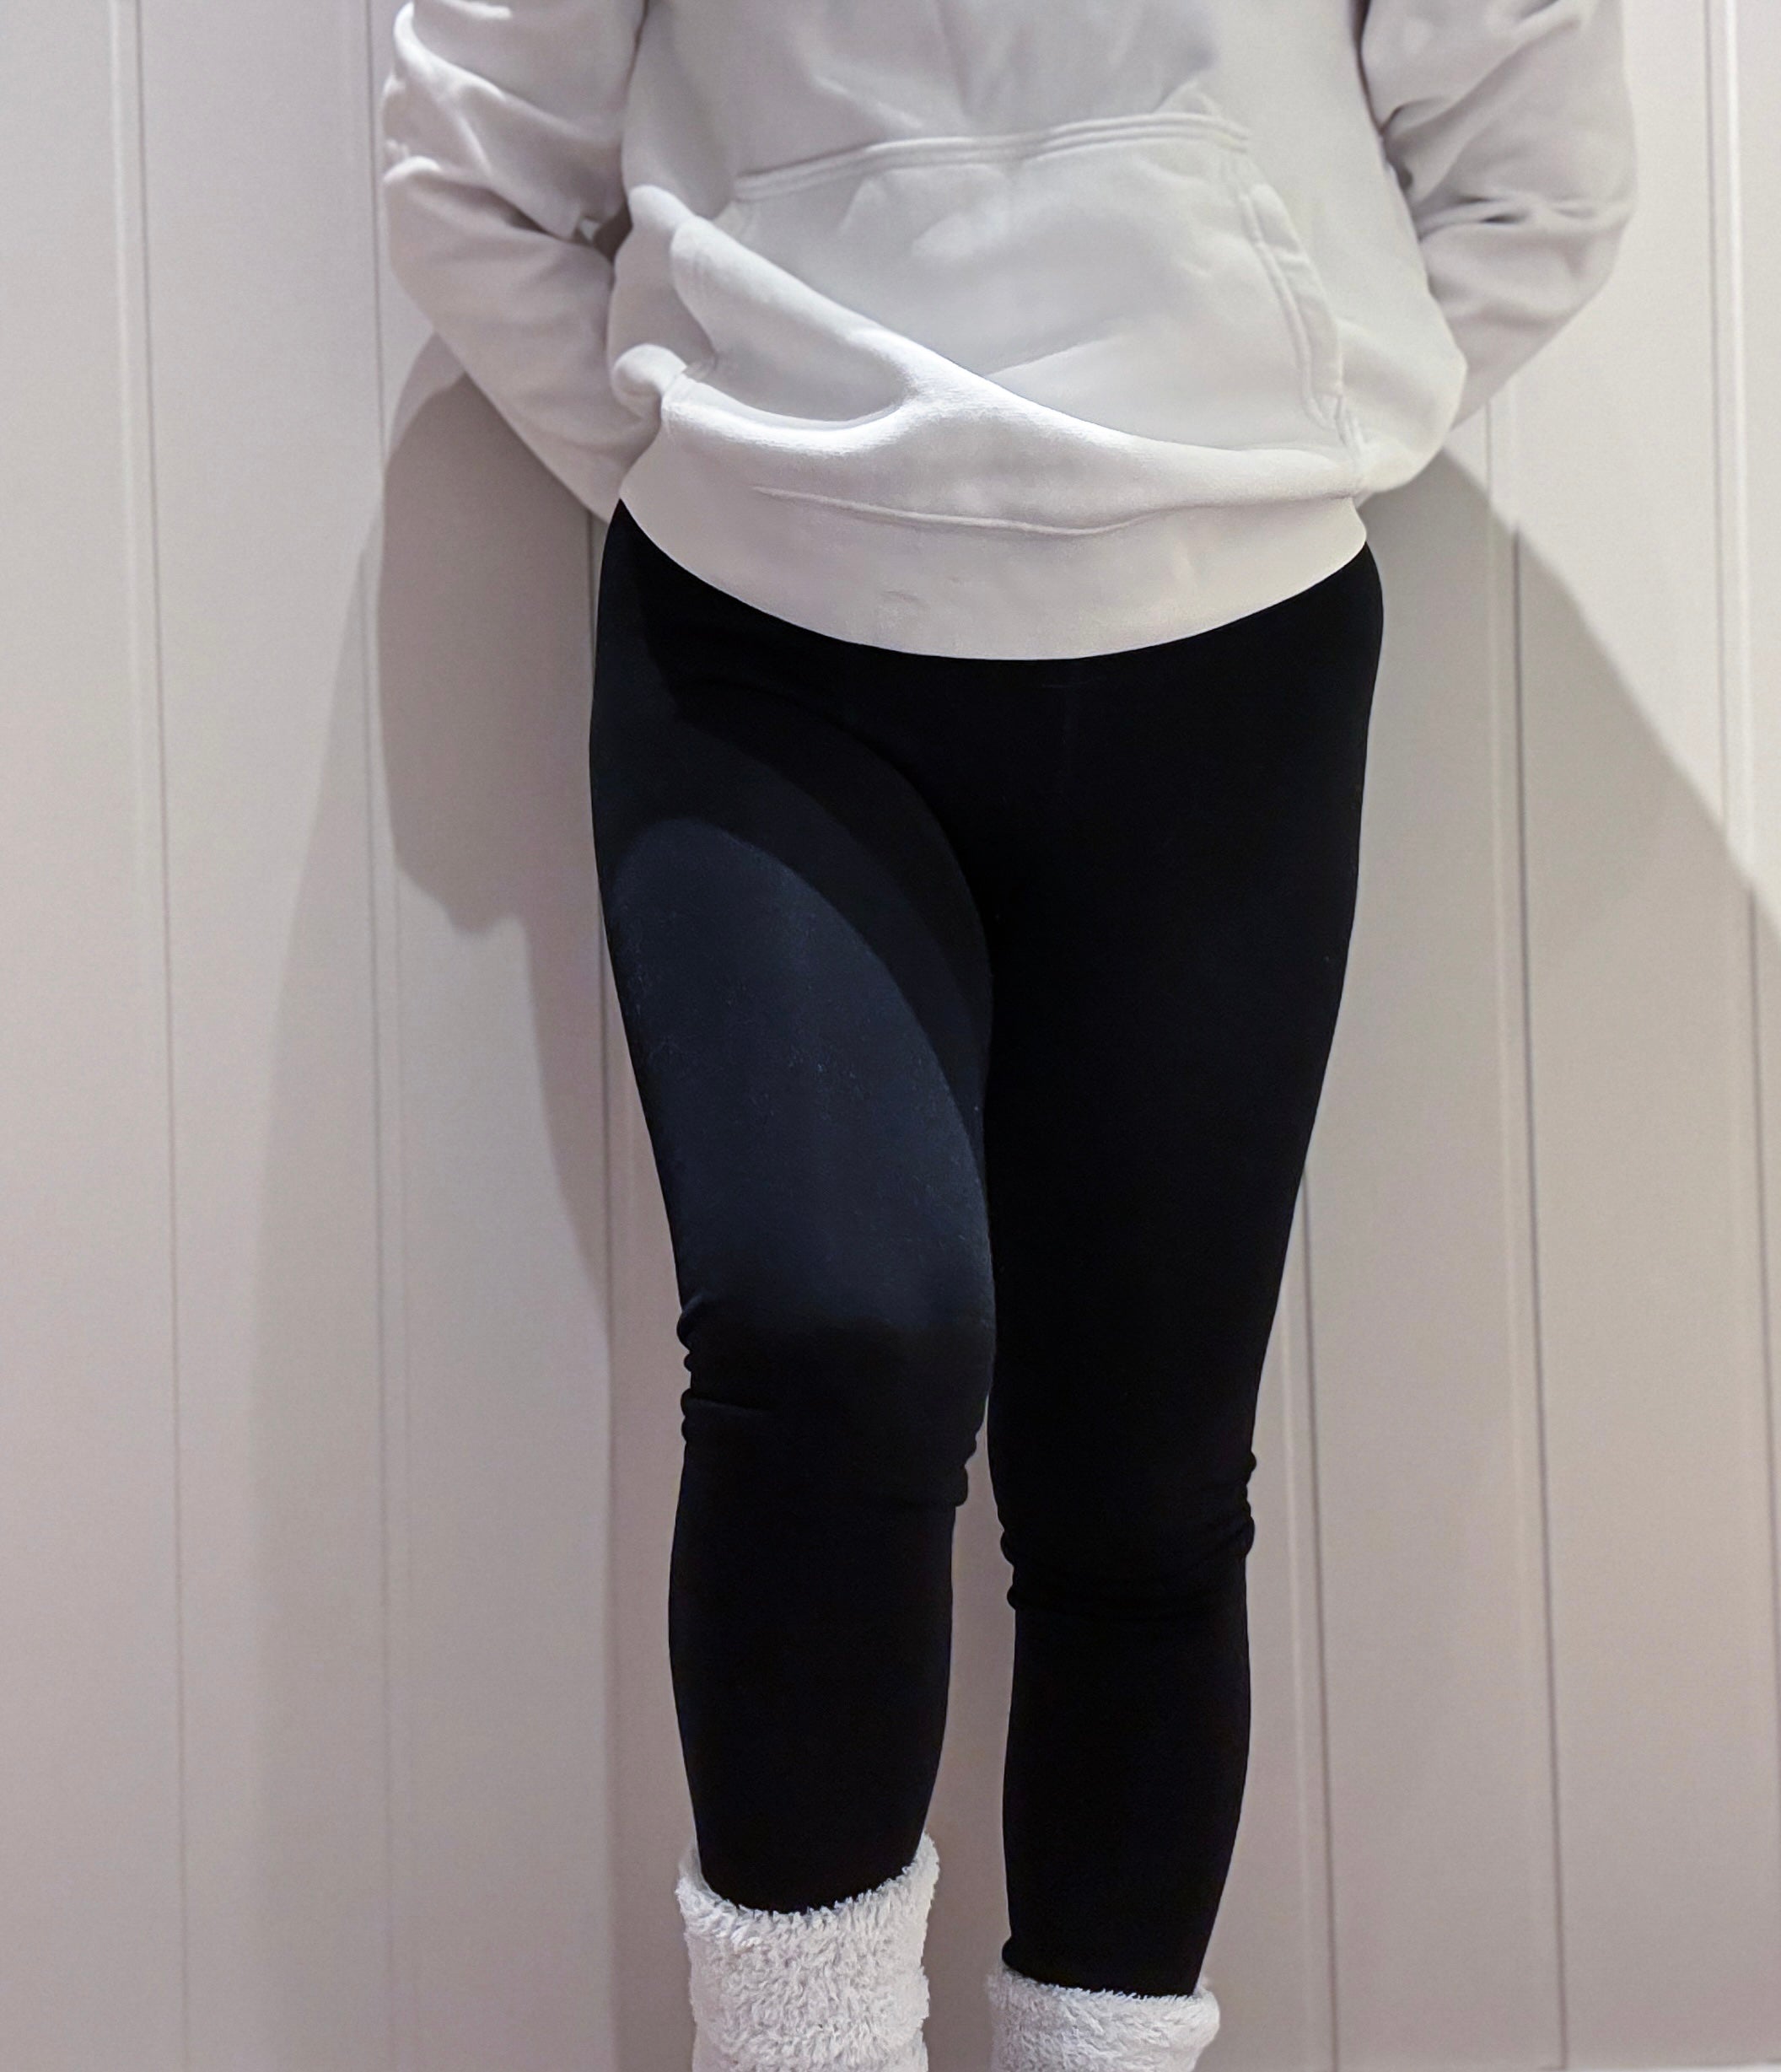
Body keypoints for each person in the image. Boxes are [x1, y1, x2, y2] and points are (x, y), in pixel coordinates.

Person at [378, 5, 1637, 2067]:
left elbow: (1537, 165)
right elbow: (471, 161)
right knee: (829, 1345)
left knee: (1141, 1477)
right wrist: (733, 459)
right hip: (760, 640)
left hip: (1227, 647)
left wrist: (1266, 442)